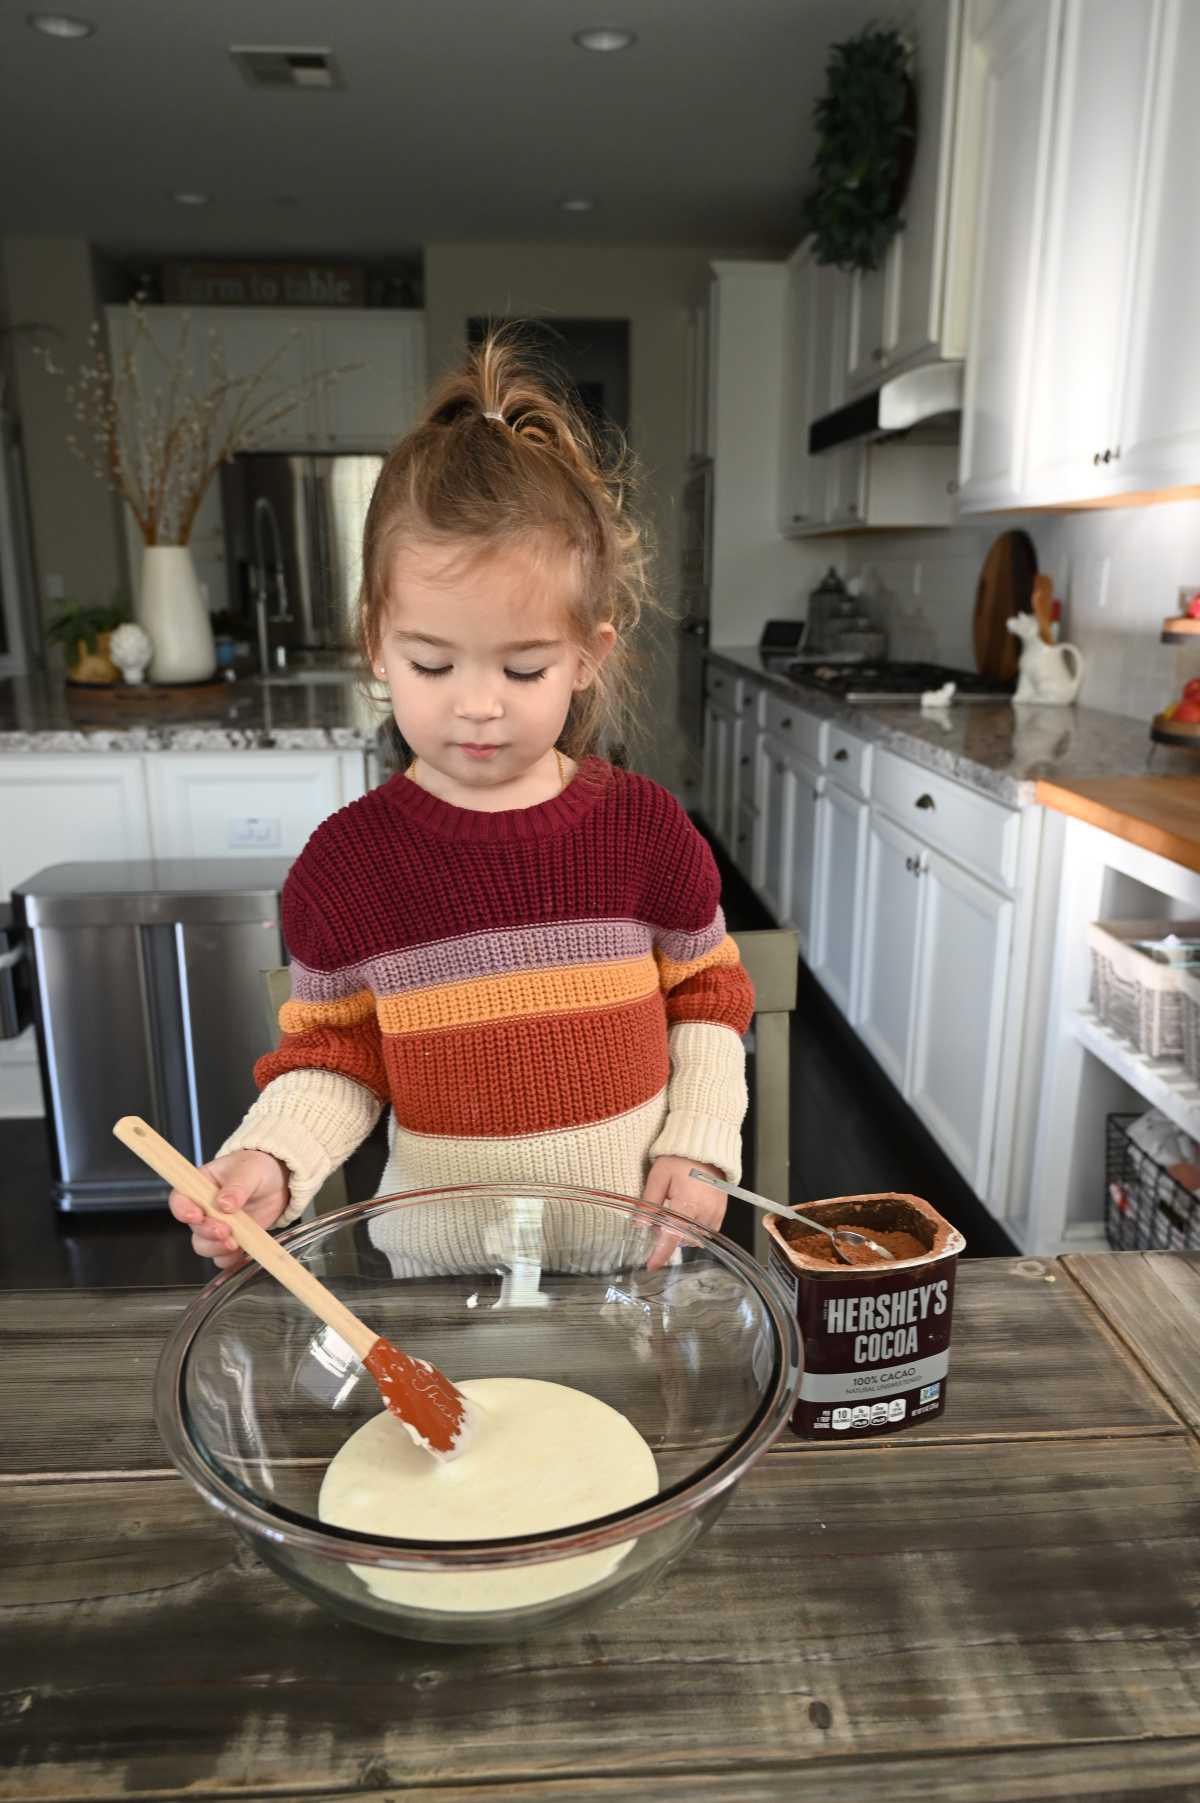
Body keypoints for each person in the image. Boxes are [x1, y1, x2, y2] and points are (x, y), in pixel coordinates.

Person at [169, 328, 754, 1273]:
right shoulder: (347, 865)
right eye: (431, 662)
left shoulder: (643, 829)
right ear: (375, 644)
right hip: (442, 1289)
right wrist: (270, 1158)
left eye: (523, 667)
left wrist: (699, 1142)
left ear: (587, 658)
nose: (476, 703)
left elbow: (710, 996)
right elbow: (338, 1056)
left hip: (630, 1270)